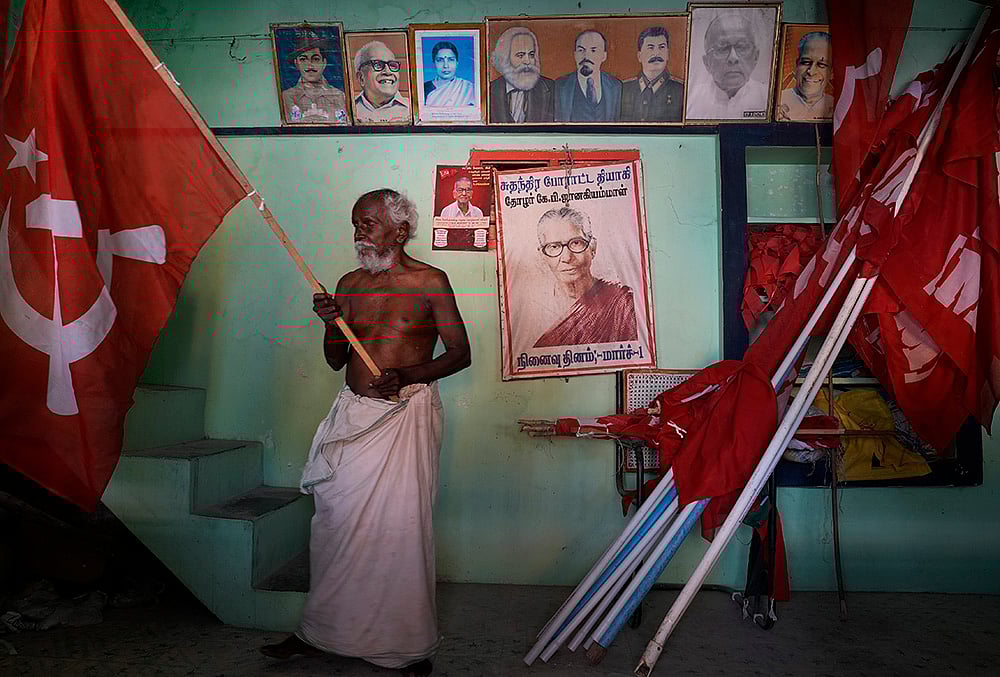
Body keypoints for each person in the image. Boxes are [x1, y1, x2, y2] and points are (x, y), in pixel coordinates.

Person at [259, 189, 471, 677]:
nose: (359, 232)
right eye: (355, 223)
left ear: (400, 229)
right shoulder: (348, 284)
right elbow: (337, 359)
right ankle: (323, 633)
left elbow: (461, 353)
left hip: (404, 417)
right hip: (353, 417)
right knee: (334, 525)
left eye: (369, 223)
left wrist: (409, 376)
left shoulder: (430, 281)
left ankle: (407, 646)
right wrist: (330, 323)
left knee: (400, 530)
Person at [532, 206, 637, 347]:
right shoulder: (533, 309)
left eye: (576, 243)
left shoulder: (622, 303)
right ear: (542, 255)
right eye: (554, 247)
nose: (567, 257)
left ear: (592, 248)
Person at [686, 10, 768, 120]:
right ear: (707, 62)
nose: (733, 58)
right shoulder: (690, 99)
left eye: (742, 47)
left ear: (756, 57)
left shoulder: (768, 98)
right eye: (722, 48)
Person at [281, 29, 349, 124]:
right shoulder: (287, 97)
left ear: (324, 63)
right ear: (296, 63)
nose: (310, 66)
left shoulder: (338, 96)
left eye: (316, 59)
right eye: (303, 59)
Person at [489, 26, 555, 123]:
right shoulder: (490, 90)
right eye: (520, 55)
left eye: (531, 55)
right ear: (505, 59)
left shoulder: (551, 88)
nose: (527, 61)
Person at [620, 26, 685, 122]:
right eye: (650, 48)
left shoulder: (681, 91)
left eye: (661, 47)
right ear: (639, 56)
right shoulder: (622, 89)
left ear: (667, 54)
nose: (656, 53)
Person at [555, 30, 622, 122]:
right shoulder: (559, 86)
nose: (586, 56)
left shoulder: (615, 86)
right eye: (581, 50)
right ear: (575, 55)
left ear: (604, 56)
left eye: (593, 50)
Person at [776, 31, 833, 121]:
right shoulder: (778, 101)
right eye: (806, 62)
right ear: (796, 65)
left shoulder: (837, 106)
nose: (811, 71)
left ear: (832, 72)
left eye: (821, 64)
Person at [353, 40, 411, 123]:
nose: (388, 72)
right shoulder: (348, 109)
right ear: (361, 77)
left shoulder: (413, 109)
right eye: (378, 65)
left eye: (392, 65)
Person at [423, 41, 476, 107]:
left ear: (457, 63)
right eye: (440, 60)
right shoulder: (424, 89)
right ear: (434, 63)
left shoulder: (468, 89)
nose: (446, 65)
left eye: (451, 60)